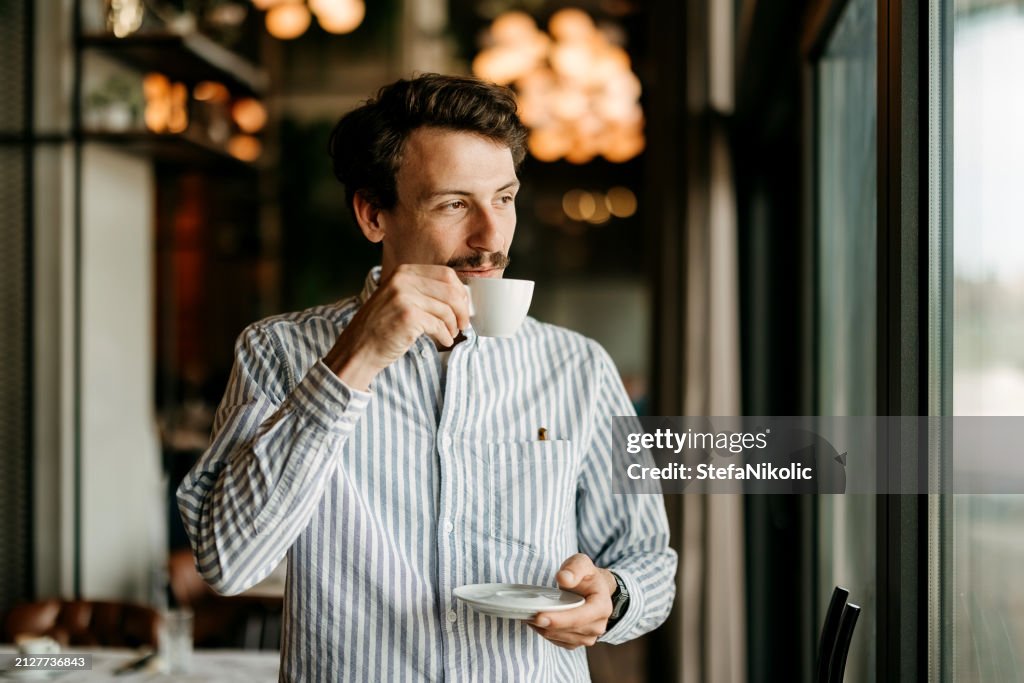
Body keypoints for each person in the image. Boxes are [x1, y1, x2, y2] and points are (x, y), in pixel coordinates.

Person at [177, 73, 676, 682]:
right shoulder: (278, 352)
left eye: (504, 198)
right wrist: (353, 361)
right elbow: (228, 564)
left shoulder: (577, 366)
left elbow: (648, 557)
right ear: (373, 215)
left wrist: (611, 597)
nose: (491, 237)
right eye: (453, 204)